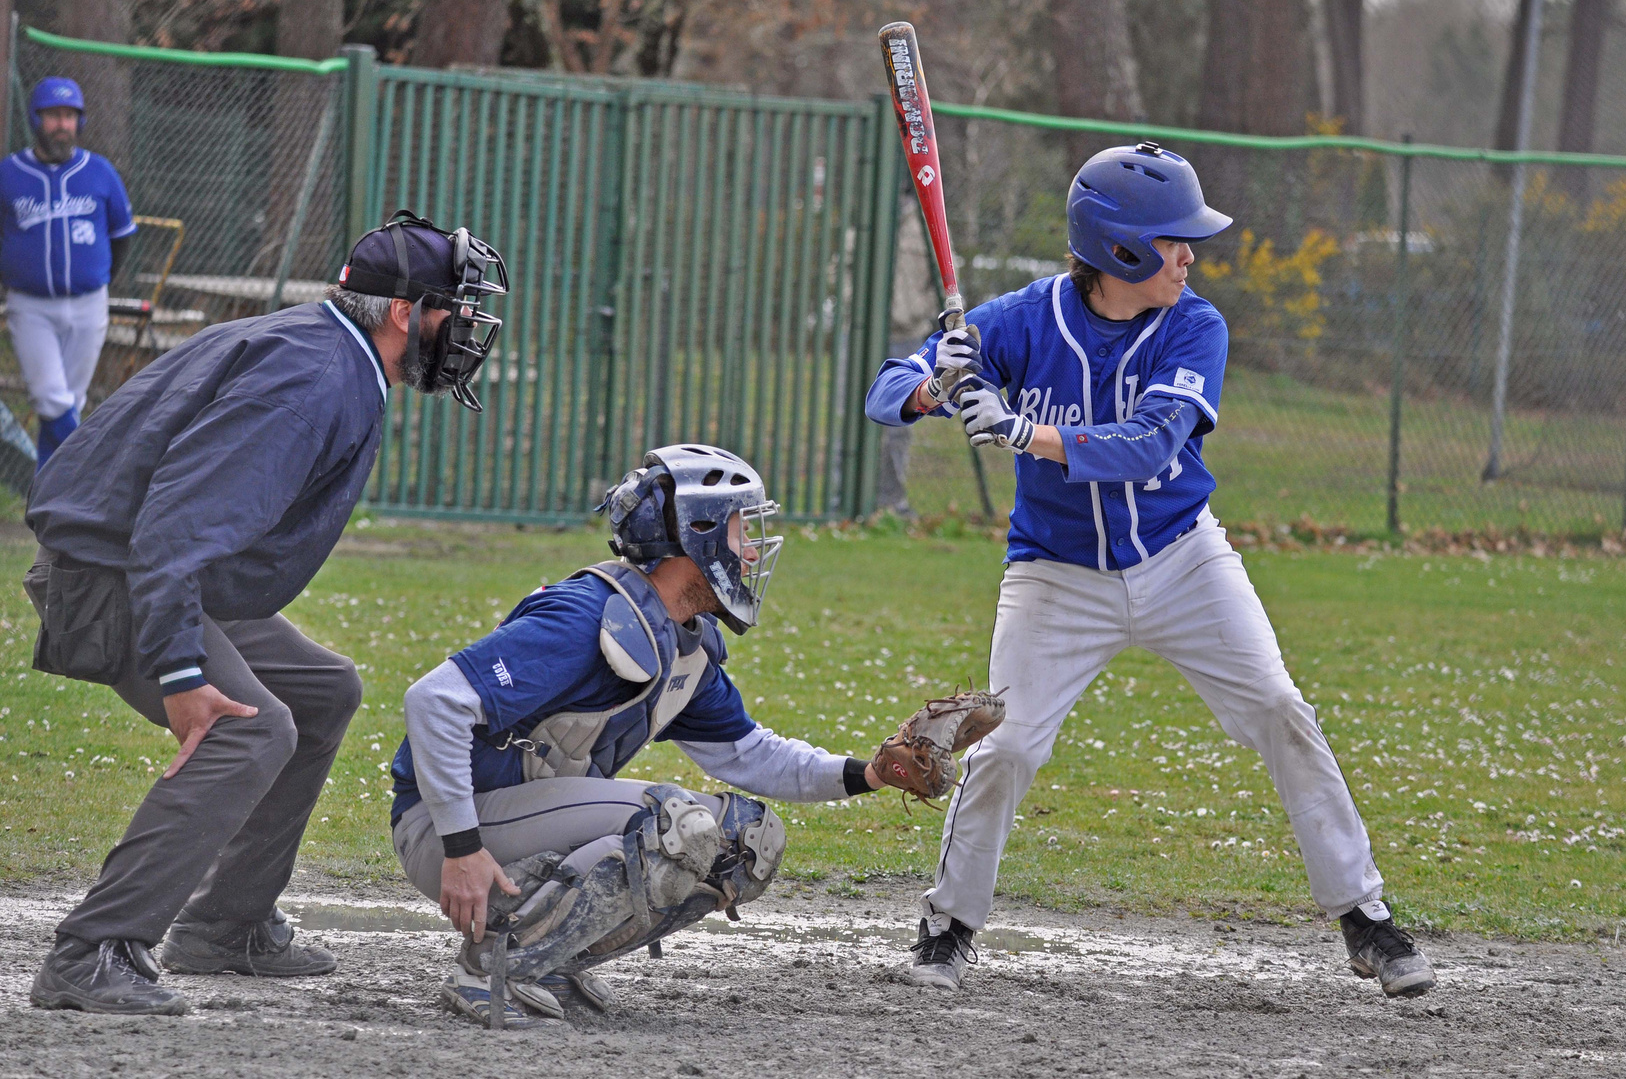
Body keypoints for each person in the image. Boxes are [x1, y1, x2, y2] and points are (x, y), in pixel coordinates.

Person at [863, 142, 1436, 998]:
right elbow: (884, 392)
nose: (1189, 256)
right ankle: (946, 930)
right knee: (1007, 745)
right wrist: (933, 383)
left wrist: (1023, 431)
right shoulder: (1023, 318)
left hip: (1181, 560)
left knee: (1280, 708)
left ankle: (1365, 918)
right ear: (1119, 248)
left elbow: (1150, 444)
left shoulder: (1194, 324)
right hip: (1055, 576)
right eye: (1172, 241)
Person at [23, 210, 509, 1016]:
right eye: (449, 310)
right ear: (401, 313)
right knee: (248, 726)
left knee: (323, 689)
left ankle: (226, 923)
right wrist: (181, 671)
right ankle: (92, 951)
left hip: (146, 563)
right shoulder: (315, 377)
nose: (461, 329)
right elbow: (175, 526)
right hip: (113, 573)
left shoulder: (323, 351)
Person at [389, 444, 902, 1027]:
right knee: (678, 824)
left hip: (505, 827)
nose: (754, 550)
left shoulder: (681, 641)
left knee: (748, 840)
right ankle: (492, 968)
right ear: (698, 536)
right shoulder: (585, 616)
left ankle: (551, 958)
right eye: (742, 530)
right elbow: (433, 702)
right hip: (446, 831)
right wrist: (461, 850)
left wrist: (870, 774)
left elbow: (748, 754)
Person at [1, 77, 134, 467]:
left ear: (80, 121)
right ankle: (91, 473)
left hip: (88, 303)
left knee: (68, 402)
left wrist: (99, 278)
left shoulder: (100, 172)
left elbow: (121, 236)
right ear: (36, 119)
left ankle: (47, 505)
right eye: (54, 116)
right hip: (30, 305)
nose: (62, 124)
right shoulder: (9, 174)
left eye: (70, 116)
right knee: (50, 397)